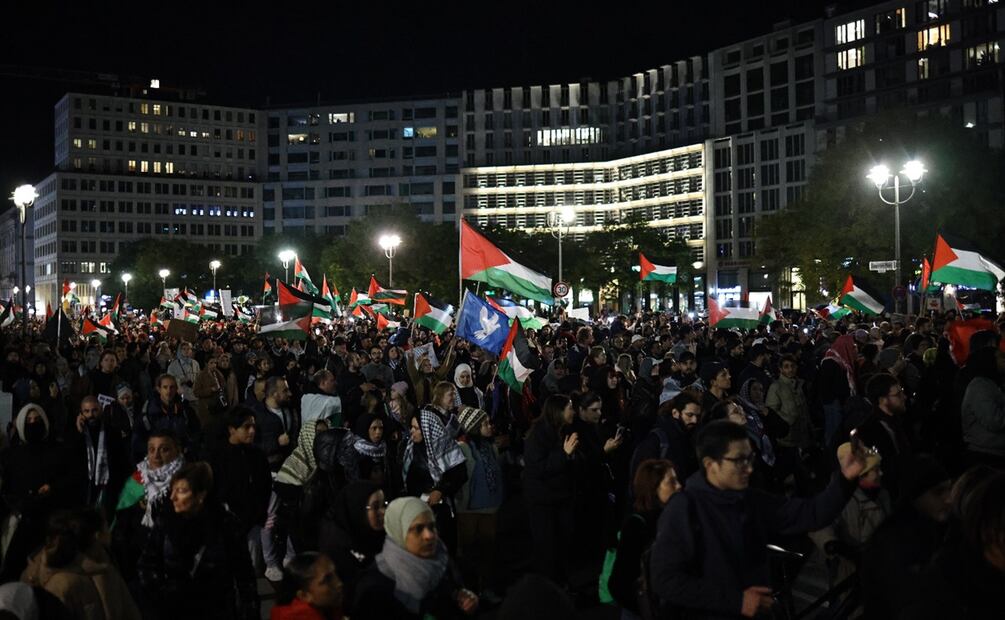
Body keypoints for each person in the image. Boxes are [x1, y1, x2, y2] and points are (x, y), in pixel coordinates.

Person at [649, 420, 866, 619]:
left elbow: (810, 514)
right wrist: (737, 601)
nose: (749, 468)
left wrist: (845, 479)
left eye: (750, 458)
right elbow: (665, 580)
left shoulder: (749, 499)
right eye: (739, 460)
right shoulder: (684, 508)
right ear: (710, 464)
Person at [137, 461, 260, 619]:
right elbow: (147, 564)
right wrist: (161, 595)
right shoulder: (165, 522)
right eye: (172, 490)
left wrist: (250, 611)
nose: (173, 497)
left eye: (181, 491)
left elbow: (244, 575)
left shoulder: (226, 525)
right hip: (174, 610)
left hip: (217, 610)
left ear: (201, 495)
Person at [351, 496, 478, 619]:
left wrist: (464, 600)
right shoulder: (375, 586)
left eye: (432, 526)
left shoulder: (440, 559)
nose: (429, 535)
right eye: (418, 529)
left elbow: (452, 594)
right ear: (398, 531)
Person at [859, 455, 953, 619]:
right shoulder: (895, 541)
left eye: (949, 490)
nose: (948, 499)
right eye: (938, 492)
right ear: (915, 497)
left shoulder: (939, 529)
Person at [21, 507, 142, 620]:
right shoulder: (62, 584)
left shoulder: (108, 569)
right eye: (106, 527)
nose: (109, 531)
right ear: (97, 535)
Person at [0, 404, 75, 583]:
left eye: (37, 420)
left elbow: (70, 480)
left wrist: (53, 488)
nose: (33, 423)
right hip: (20, 520)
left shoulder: (58, 451)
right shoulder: (11, 455)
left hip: (50, 520)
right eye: (28, 421)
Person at [608, 459, 680, 619]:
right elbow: (619, 584)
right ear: (653, 488)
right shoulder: (636, 526)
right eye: (672, 482)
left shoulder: (674, 520)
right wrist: (647, 609)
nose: (679, 486)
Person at [111, 430, 185, 581]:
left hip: (177, 561)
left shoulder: (187, 480)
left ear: (177, 450)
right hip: (140, 559)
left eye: (164, 449)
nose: (156, 456)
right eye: (152, 449)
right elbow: (122, 523)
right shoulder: (137, 480)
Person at [522, 394, 577, 585]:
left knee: (562, 544)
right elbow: (539, 468)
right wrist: (564, 454)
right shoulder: (538, 434)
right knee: (547, 547)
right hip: (543, 501)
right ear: (558, 411)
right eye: (570, 407)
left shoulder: (563, 430)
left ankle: (562, 585)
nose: (574, 411)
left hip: (560, 497)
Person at [209, 407, 272, 570]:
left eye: (253, 426)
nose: (251, 431)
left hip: (252, 523)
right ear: (232, 429)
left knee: (251, 568)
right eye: (246, 427)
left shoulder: (258, 455)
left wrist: (259, 515)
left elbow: (265, 486)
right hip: (227, 524)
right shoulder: (217, 457)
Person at [454, 406, 503, 597]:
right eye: (484, 424)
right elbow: (463, 481)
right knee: (469, 552)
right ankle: (470, 591)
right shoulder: (463, 448)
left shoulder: (490, 446)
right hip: (469, 509)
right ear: (473, 426)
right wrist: (462, 505)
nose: (489, 426)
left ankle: (486, 588)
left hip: (490, 507)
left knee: (487, 550)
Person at [317, 481, 386, 606]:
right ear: (357, 508)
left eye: (384, 504)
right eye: (375, 507)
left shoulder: (368, 530)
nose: (383, 511)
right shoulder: (338, 548)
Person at [854, 373, 913, 499]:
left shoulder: (896, 422)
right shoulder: (869, 433)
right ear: (882, 400)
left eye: (901, 391)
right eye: (898, 394)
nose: (905, 397)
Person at [630, 390, 701, 484]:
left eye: (697, 416)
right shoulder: (658, 439)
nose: (694, 420)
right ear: (675, 413)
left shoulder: (691, 436)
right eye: (689, 415)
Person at [134, 373, 200, 461]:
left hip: (181, 459)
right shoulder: (148, 413)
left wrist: (188, 448)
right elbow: (138, 442)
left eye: (172, 387)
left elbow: (196, 433)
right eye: (165, 387)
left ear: (176, 389)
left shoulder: (185, 410)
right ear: (159, 389)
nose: (169, 391)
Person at [959, 347, 1005, 468]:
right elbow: (995, 421)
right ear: (989, 361)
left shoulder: (991, 384)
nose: (1003, 360)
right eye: (1000, 357)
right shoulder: (979, 387)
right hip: (986, 455)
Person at [271, 552, 345, 620]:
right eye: (327, 580)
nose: (339, 583)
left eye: (335, 574)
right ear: (304, 595)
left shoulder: (327, 609)